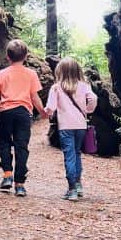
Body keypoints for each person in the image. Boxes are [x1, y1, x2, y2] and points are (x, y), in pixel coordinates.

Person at [0, 39, 47, 197]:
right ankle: (20, 185)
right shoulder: (31, 74)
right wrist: (42, 112)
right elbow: (34, 97)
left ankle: (7, 175)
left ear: (7, 57)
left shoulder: (1, 74)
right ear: (26, 56)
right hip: (23, 114)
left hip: (6, 112)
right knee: (22, 147)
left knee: (3, 143)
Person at [44, 57, 97, 201]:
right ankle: (78, 184)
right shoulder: (84, 85)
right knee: (77, 153)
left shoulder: (56, 87)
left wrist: (46, 113)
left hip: (66, 127)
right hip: (81, 125)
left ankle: (72, 189)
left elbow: (51, 108)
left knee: (69, 155)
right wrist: (88, 110)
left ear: (60, 71)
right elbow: (93, 99)